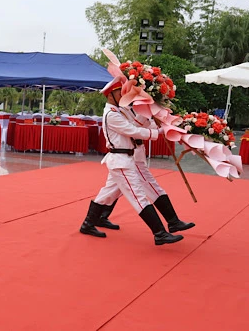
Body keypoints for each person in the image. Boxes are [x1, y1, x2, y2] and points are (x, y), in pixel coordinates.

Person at [79, 78, 185, 246]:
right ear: (110, 95)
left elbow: (137, 123)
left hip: (125, 159)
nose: (123, 94)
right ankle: (159, 233)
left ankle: (88, 223)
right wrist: (159, 133)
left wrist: (152, 112)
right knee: (138, 196)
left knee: (108, 194)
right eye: (119, 92)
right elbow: (133, 131)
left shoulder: (122, 111)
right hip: (121, 161)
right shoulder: (112, 115)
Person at [94, 105, 196, 234]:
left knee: (111, 190)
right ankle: (170, 223)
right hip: (129, 156)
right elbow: (133, 129)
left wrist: (167, 125)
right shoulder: (117, 112)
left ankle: (95, 219)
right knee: (150, 189)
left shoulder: (128, 109)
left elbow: (147, 125)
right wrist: (152, 123)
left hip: (133, 154)